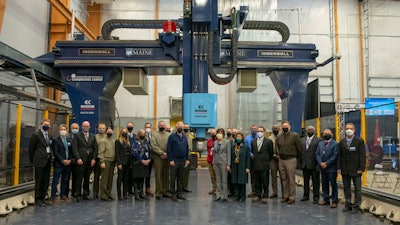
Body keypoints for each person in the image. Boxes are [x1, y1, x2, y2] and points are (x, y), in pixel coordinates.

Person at [338, 123, 366, 214]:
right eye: (347, 128)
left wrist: (361, 168)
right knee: (346, 188)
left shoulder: (359, 141)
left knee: (357, 188)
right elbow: (339, 156)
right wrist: (339, 168)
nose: (348, 130)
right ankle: (348, 204)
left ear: (354, 130)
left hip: (356, 169)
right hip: (345, 169)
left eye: (350, 128)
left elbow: (362, 156)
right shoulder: (341, 142)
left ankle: (357, 206)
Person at [276, 121, 302, 204]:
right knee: (283, 178)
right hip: (281, 159)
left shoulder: (294, 136)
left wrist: (295, 157)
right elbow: (277, 147)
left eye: (286, 126)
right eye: (283, 126)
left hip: (291, 159)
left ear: (290, 127)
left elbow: (300, 148)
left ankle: (292, 197)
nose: (284, 127)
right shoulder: (279, 137)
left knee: (291, 179)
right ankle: (285, 196)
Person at [28, 119, 53, 207]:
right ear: (41, 125)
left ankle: (43, 197)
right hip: (39, 161)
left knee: (45, 180)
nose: (46, 126)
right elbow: (31, 149)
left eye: (48, 124)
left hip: (47, 161)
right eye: (45, 124)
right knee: (39, 180)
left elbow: (50, 147)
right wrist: (33, 161)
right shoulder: (36, 135)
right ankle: (37, 199)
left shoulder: (49, 136)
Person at [72, 121, 98, 202]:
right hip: (81, 160)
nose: (86, 127)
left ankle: (86, 193)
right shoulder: (77, 136)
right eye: (84, 126)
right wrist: (78, 158)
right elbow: (74, 148)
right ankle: (78, 194)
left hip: (90, 160)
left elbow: (95, 149)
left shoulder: (93, 136)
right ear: (82, 127)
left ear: (89, 127)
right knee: (79, 177)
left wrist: (94, 159)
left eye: (87, 126)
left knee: (87, 177)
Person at [316, 128, 339, 208]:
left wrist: (327, 163)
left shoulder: (335, 144)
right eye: (325, 133)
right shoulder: (320, 144)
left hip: (331, 168)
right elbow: (317, 154)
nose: (326, 135)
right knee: (324, 184)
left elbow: (335, 155)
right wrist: (320, 163)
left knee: (333, 184)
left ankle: (334, 201)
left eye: (328, 133)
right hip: (322, 168)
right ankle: (326, 199)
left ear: (331, 135)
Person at [167, 122, 190, 201]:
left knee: (181, 178)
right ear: (176, 128)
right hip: (174, 161)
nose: (180, 128)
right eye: (179, 126)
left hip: (182, 161)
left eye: (182, 127)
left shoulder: (184, 137)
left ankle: (179, 193)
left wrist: (187, 159)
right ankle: (173, 194)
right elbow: (169, 148)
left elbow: (187, 149)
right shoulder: (172, 137)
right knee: (173, 178)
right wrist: (171, 159)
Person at [251, 126, 273, 203]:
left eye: (261, 131)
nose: (259, 132)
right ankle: (257, 194)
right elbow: (253, 151)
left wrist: (267, 160)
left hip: (265, 164)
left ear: (264, 132)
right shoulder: (253, 141)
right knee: (257, 181)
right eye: (258, 131)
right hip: (256, 164)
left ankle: (265, 195)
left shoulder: (269, 142)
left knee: (265, 181)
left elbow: (271, 153)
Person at [300, 126, 322, 203]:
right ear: (306, 131)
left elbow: (320, 152)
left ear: (314, 131)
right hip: (305, 164)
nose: (310, 131)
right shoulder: (302, 140)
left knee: (316, 182)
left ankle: (316, 197)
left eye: (311, 129)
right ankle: (306, 195)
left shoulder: (319, 140)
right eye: (308, 129)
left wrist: (318, 163)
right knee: (305, 181)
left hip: (314, 164)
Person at [51, 124, 72, 203]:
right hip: (59, 164)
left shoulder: (68, 140)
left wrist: (69, 160)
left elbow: (70, 151)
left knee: (65, 180)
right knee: (55, 180)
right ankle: (53, 196)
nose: (63, 131)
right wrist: (63, 160)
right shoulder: (56, 140)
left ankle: (63, 195)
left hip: (67, 164)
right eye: (61, 129)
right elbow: (55, 152)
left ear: (66, 131)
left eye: (64, 129)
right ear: (59, 131)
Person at [151, 120, 171, 200]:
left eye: (163, 125)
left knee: (166, 174)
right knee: (158, 175)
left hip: (167, 156)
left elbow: (170, 145)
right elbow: (153, 145)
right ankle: (158, 192)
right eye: (161, 125)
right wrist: (161, 153)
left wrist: (167, 153)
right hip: (158, 157)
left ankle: (165, 191)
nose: (162, 127)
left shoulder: (169, 135)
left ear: (165, 126)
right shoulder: (154, 135)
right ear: (158, 126)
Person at [132, 129, 153, 201]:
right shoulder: (135, 143)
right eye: (141, 133)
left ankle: (141, 193)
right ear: (138, 134)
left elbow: (150, 151)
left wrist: (149, 159)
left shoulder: (146, 142)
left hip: (146, 163)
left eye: (144, 134)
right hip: (138, 163)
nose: (142, 135)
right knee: (136, 179)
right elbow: (134, 152)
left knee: (142, 178)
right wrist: (142, 160)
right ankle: (136, 194)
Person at [230, 132, 250, 202]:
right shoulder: (232, 148)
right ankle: (237, 195)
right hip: (234, 166)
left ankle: (243, 196)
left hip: (242, 166)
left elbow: (248, 158)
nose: (238, 138)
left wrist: (247, 167)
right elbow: (231, 157)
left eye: (240, 137)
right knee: (235, 181)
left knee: (242, 181)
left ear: (242, 138)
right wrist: (230, 166)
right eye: (237, 137)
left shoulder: (246, 147)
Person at [212, 128, 231, 202]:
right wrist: (213, 163)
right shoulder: (215, 142)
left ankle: (224, 195)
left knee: (224, 180)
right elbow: (214, 153)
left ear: (223, 134)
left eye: (221, 132)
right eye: (218, 132)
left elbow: (228, 153)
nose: (219, 134)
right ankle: (218, 195)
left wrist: (228, 164)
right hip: (216, 162)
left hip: (224, 162)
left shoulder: (227, 142)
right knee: (218, 179)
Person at [98, 127, 116, 201]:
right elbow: (100, 152)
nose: (110, 132)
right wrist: (102, 162)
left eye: (111, 131)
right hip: (106, 161)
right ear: (106, 132)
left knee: (110, 179)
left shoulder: (113, 140)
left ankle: (109, 193)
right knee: (104, 179)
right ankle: (103, 195)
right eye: (108, 131)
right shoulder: (103, 141)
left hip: (112, 161)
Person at [115, 128, 131, 200]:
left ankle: (125, 194)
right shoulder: (118, 141)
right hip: (121, 162)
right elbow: (117, 153)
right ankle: (119, 195)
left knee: (126, 179)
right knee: (120, 178)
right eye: (123, 132)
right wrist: (119, 163)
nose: (125, 133)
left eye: (126, 132)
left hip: (127, 162)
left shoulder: (128, 141)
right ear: (121, 133)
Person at [268, 125, 282, 198]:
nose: (275, 130)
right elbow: (269, 149)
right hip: (273, 159)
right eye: (274, 129)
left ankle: (284, 192)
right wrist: (274, 155)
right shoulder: (269, 138)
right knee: (273, 176)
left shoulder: (282, 137)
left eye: (277, 129)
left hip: (282, 159)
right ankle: (274, 192)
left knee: (283, 176)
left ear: (279, 129)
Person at [93, 123, 107, 199]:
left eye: (103, 128)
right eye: (100, 128)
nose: (101, 129)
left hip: (105, 160)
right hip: (97, 159)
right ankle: (95, 192)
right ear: (97, 128)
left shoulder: (107, 137)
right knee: (96, 177)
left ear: (105, 129)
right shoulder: (94, 137)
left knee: (105, 177)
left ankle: (104, 192)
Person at [245, 124, 257, 197]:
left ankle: (259, 191)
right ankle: (253, 191)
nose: (254, 130)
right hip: (251, 158)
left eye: (255, 128)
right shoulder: (247, 138)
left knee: (259, 175)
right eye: (252, 128)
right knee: (252, 176)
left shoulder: (259, 137)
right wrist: (250, 154)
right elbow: (246, 148)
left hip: (259, 159)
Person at [68, 123, 79, 198]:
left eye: (76, 128)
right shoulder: (67, 137)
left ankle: (75, 192)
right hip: (68, 160)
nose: (74, 129)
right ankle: (65, 194)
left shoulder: (79, 137)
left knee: (76, 177)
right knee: (66, 178)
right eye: (73, 128)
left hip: (77, 160)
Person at [144, 122, 155, 196]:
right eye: (146, 127)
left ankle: (148, 188)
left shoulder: (153, 136)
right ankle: (140, 189)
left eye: (149, 127)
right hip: (143, 158)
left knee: (149, 173)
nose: (148, 129)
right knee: (142, 174)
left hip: (151, 157)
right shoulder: (142, 135)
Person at [183, 123, 193, 192]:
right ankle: (179, 187)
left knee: (187, 172)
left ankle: (185, 186)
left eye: (187, 128)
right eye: (185, 127)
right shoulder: (181, 136)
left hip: (188, 155)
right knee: (181, 172)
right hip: (182, 156)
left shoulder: (190, 136)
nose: (186, 129)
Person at [207, 128, 217, 195]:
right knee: (212, 176)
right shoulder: (209, 141)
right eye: (212, 133)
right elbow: (208, 149)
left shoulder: (218, 141)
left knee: (217, 175)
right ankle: (214, 188)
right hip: (210, 160)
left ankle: (218, 189)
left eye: (214, 133)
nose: (213, 134)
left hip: (216, 161)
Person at [126, 122, 136, 195]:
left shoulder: (135, 136)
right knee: (126, 174)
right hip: (126, 157)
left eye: (131, 126)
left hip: (133, 158)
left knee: (132, 174)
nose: (130, 127)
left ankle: (130, 189)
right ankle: (125, 189)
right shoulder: (124, 135)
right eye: (129, 126)